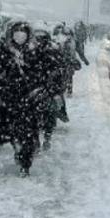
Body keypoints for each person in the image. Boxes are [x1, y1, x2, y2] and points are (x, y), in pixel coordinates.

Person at [0, 21, 44, 177]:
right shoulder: (4, 51)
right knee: (14, 131)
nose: (20, 35)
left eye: (23, 32)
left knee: (28, 132)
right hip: (10, 98)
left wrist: (37, 90)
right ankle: (18, 150)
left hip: (29, 98)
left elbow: (40, 73)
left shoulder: (35, 51)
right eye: (17, 31)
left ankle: (25, 163)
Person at [32, 23, 65, 151]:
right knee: (31, 116)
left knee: (51, 113)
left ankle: (47, 137)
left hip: (50, 88)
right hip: (34, 88)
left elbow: (60, 70)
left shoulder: (54, 50)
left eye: (42, 37)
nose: (39, 40)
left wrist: (56, 88)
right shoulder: (30, 51)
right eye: (37, 37)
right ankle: (36, 141)